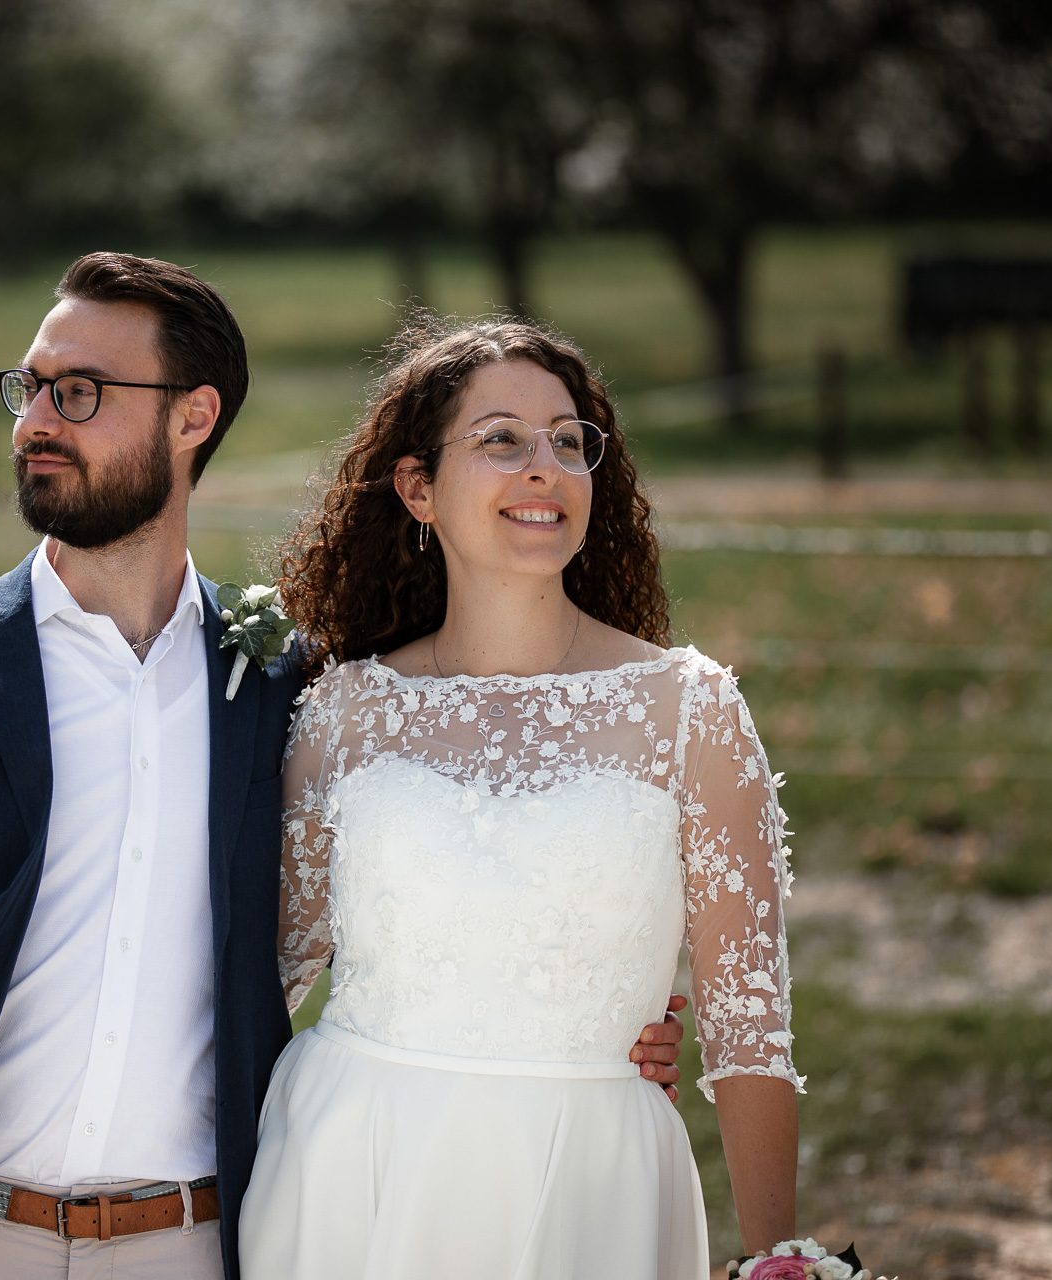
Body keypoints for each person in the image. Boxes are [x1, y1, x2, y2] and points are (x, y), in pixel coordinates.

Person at [0, 253, 692, 1280]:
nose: (37, 418)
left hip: (201, 1242)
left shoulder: (282, 680)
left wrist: (601, 1010)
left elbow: (419, 880)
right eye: (30, 385)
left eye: (79, 391)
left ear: (193, 416)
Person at [239, 318, 802, 1279]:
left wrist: (777, 1261)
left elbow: (751, 1030)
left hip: (593, 1176)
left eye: (568, 441)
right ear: (418, 487)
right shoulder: (341, 713)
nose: (544, 467)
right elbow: (264, 984)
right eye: (501, 440)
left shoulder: (689, 711)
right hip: (352, 1168)